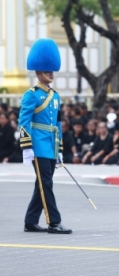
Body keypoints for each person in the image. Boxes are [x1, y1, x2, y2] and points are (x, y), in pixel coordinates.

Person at [19, 38, 72, 234]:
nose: (51, 73)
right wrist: (26, 147)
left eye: (52, 70)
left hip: (50, 145)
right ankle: (54, 222)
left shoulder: (56, 96)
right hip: (38, 145)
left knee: (41, 183)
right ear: (38, 71)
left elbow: (57, 124)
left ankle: (30, 221)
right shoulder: (31, 95)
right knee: (46, 183)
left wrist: (59, 149)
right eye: (47, 70)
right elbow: (23, 121)